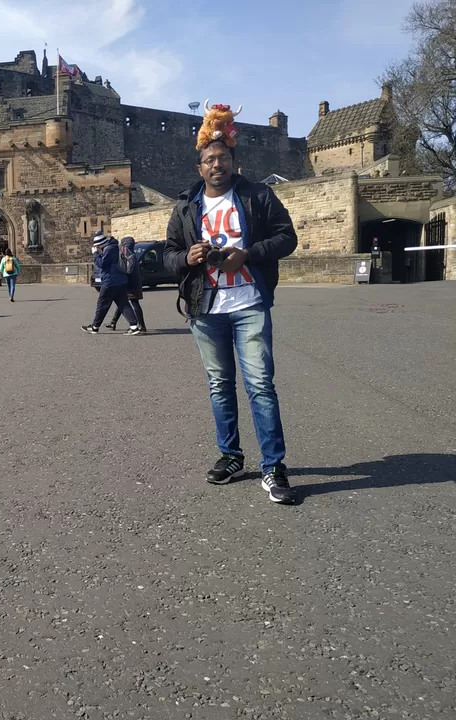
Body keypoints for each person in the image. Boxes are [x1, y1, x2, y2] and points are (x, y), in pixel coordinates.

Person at [163, 114, 298, 505]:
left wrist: (248, 254)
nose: (216, 164)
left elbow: (287, 237)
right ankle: (232, 456)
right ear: (199, 167)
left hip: (249, 304)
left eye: (222, 157)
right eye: (210, 159)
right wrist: (187, 258)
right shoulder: (186, 206)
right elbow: (168, 254)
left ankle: (273, 467)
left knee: (260, 385)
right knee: (220, 386)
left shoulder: (258, 196)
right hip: (205, 308)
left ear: (232, 161)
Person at [82, 231, 140, 335]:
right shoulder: (115, 247)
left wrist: (95, 254)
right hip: (121, 281)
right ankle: (134, 326)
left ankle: (95, 327)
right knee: (124, 304)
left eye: (97, 246)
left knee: (102, 304)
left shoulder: (109, 250)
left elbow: (102, 264)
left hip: (110, 282)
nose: (97, 247)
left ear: (100, 244)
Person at [106, 237, 147, 334]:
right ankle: (113, 322)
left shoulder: (128, 255)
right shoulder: (131, 254)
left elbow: (126, 270)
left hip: (130, 283)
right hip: (134, 282)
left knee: (133, 303)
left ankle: (142, 326)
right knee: (123, 302)